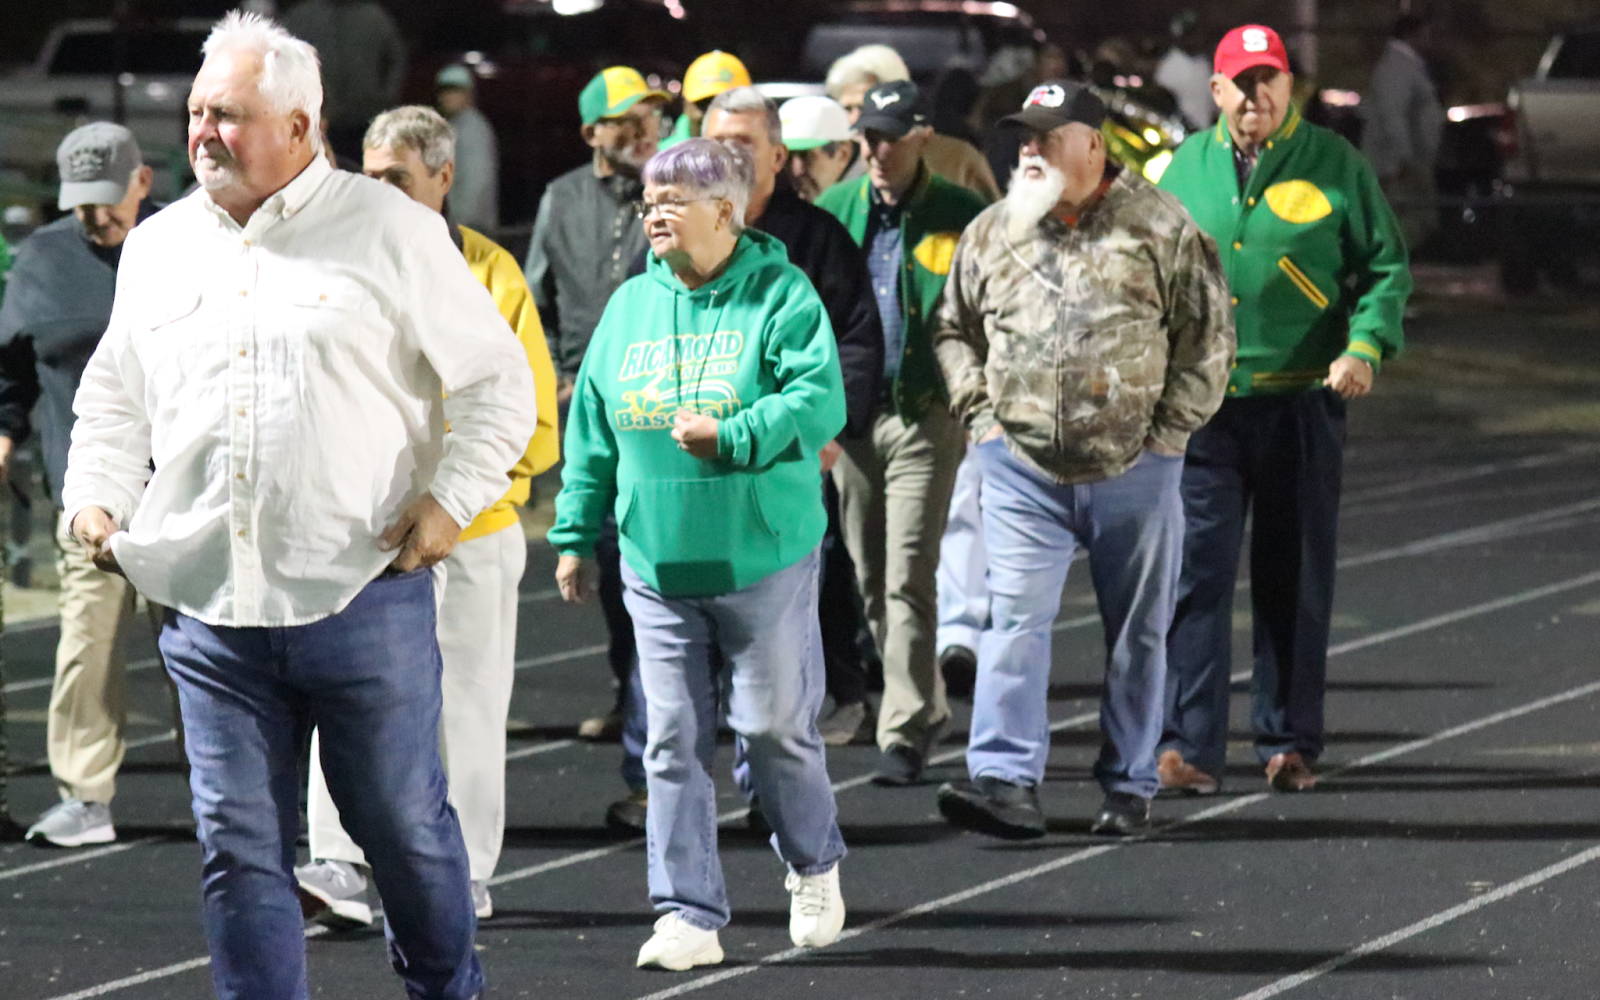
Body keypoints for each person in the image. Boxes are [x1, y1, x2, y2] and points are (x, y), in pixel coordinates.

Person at [62, 14, 538, 1000]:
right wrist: (97, 499)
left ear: (298, 124)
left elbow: (499, 384)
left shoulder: (390, 230)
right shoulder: (159, 247)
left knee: (402, 831)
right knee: (238, 848)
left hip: (360, 594)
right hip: (209, 607)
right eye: (198, 112)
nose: (203, 133)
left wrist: (450, 504)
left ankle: (446, 986)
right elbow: (114, 399)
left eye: (228, 115)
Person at [550, 138, 848, 971]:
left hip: (763, 556)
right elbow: (592, 434)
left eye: (673, 201)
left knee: (772, 728)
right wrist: (574, 534)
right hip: (656, 563)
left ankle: (813, 862)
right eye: (649, 201)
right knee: (671, 740)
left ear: (726, 211)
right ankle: (687, 912)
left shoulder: (782, 294)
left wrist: (737, 434)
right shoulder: (628, 309)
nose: (654, 214)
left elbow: (819, 402)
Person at [932, 80, 1234, 840]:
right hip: (1020, 468)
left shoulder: (1160, 225)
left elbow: (1209, 339)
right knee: (1011, 624)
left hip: (1135, 468)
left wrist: (1168, 437)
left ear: (1094, 145)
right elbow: (953, 328)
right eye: (1024, 136)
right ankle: (1005, 781)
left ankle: (1128, 783)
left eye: (1047, 136)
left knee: (1138, 634)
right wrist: (980, 417)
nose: (1029, 150)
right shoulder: (994, 229)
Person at [296, 105, 560, 926]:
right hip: (365, 533)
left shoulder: (491, 273)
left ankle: (466, 870)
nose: (379, 193)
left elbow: (533, 419)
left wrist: (456, 503)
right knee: (341, 698)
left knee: (469, 706)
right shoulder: (341, 261)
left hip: (470, 532)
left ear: (445, 178)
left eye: (398, 180)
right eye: (370, 177)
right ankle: (338, 861)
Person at [1157, 25, 1410, 797]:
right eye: (1241, 83)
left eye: (1268, 80)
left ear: (1289, 86)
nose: (1255, 97)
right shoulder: (1181, 167)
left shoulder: (1335, 163)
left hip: (1302, 401)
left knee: (1292, 579)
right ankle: (1188, 746)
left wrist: (1364, 346)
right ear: (1216, 91)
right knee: (1194, 578)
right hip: (1206, 409)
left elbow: (1385, 267)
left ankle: (1289, 740)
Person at [0, 123, 179, 849]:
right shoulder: (41, 260)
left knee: (201, 649)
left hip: (184, 490)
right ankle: (84, 796)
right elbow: (12, 370)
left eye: (108, 199)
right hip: (89, 494)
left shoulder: (185, 243)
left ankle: (232, 788)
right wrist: (5, 432)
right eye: (81, 203)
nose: (96, 216)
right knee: (86, 645)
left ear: (143, 182)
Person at [817, 81, 987, 786]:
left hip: (925, 412)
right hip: (854, 419)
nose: (876, 151)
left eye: (889, 138)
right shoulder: (836, 211)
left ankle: (906, 724)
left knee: (909, 571)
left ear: (922, 138)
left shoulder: (962, 215)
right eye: (867, 137)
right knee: (869, 574)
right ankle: (926, 700)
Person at [524, 66, 669, 746]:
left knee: (657, 555)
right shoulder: (561, 197)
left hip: (662, 398)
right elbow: (537, 297)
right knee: (609, 557)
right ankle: (634, 696)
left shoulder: (669, 193)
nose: (644, 129)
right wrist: (557, 369)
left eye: (651, 116)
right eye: (627, 119)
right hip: (591, 401)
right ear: (592, 133)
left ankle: (666, 705)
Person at [825, 44, 1002, 203]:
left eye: (865, 107)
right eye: (848, 108)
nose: (855, 119)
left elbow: (993, 222)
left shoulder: (956, 159)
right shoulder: (829, 155)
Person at [281, 0, 405, 161]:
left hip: (365, 116)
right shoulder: (302, 16)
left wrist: (386, 96)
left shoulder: (375, 17)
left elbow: (396, 58)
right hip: (317, 118)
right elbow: (282, 58)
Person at [1362, 14, 1444, 250]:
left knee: (1413, 216)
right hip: (1399, 164)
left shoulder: (1403, 66)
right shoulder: (1397, 68)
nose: (1430, 40)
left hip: (1408, 160)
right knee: (1409, 216)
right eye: (1426, 34)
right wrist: (1404, 157)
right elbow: (1392, 114)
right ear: (1412, 35)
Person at [435, 64, 500, 232]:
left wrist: (459, 228)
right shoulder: (453, 126)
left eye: (455, 90)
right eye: (444, 90)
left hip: (469, 229)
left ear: (468, 93)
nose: (448, 95)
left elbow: (476, 183)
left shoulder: (473, 129)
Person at [661, 50, 751, 148]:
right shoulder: (666, 155)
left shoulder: (761, 152)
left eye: (730, 107)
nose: (717, 117)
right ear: (687, 106)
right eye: (705, 104)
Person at [780, 95, 855, 202]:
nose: (796, 171)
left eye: (806, 156)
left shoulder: (870, 203)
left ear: (843, 155)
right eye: (787, 158)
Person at [1156, 10, 1218, 131]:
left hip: (1204, 133)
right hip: (1179, 134)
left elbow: (1213, 105)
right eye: (1190, 35)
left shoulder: (1203, 63)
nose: (1195, 38)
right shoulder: (1170, 67)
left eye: (1197, 33)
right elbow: (1161, 108)